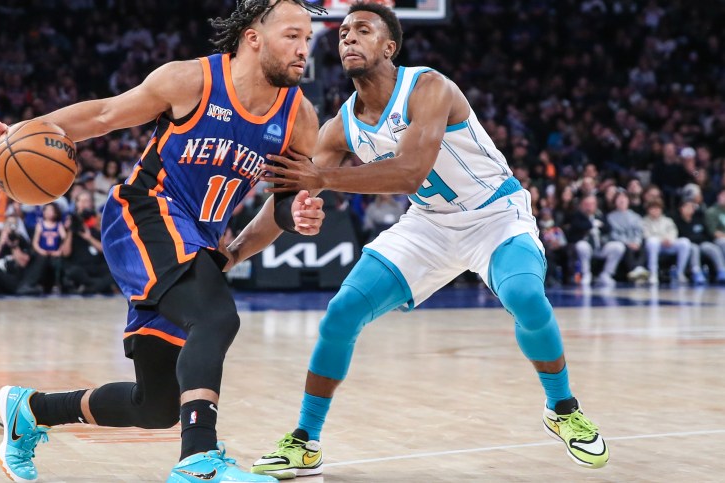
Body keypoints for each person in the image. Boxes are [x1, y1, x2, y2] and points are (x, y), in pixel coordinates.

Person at [247, 4, 608, 479]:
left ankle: (562, 409)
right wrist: (237, 248)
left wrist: (324, 178)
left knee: (524, 295)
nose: (349, 38)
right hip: (430, 224)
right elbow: (291, 191)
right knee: (340, 314)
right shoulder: (341, 127)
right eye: (344, 33)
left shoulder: (429, 86)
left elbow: (409, 171)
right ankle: (305, 440)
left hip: (495, 214)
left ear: (389, 47)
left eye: (363, 30)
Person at [0, 1, 326, 481]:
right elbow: (103, 115)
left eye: (307, 39)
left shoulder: (300, 117)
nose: (303, 50)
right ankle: (199, 461)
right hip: (144, 213)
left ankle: (32, 411)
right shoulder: (191, 81)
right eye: (293, 36)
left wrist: (294, 217)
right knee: (217, 316)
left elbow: (284, 203)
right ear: (253, 37)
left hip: (196, 243)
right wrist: (21, 135)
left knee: (157, 404)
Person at [568, 194, 625, 287]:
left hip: (601, 246)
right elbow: (576, 227)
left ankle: (606, 274)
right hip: (587, 247)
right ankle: (586, 274)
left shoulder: (600, 215)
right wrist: (591, 224)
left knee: (619, 247)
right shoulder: (577, 216)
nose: (589, 206)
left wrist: (600, 227)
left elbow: (608, 228)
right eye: (587, 204)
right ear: (582, 205)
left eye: (592, 204)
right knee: (581, 246)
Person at [642, 200, 692, 285]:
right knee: (652, 242)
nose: (655, 211)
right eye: (653, 208)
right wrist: (661, 240)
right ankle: (653, 274)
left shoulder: (667, 220)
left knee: (685, 242)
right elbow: (646, 235)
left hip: (669, 244)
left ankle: (680, 273)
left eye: (657, 208)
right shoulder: (644, 221)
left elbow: (673, 231)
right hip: (655, 246)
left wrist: (670, 239)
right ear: (648, 210)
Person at [675, 200, 725, 284]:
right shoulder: (678, 221)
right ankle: (696, 272)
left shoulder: (698, 219)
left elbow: (706, 233)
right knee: (694, 249)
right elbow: (681, 237)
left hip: (702, 243)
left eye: (691, 207)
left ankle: (721, 270)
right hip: (690, 244)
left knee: (712, 248)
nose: (690, 209)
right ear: (681, 209)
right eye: (687, 207)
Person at [606, 190, 649, 284]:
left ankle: (639, 268)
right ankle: (635, 269)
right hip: (622, 242)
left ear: (628, 200)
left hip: (635, 241)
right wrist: (627, 242)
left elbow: (639, 231)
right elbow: (613, 234)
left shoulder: (635, 216)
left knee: (645, 242)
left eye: (624, 198)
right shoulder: (610, 217)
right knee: (625, 247)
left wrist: (637, 242)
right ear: (615, 201)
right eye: (619, 198)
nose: (622, 200)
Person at [31, 202, 67, 293]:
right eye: (47, 210)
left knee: (58, 265)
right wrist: (40, 251)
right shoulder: (40, 224)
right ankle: (40, 284)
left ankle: (57, 284)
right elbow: (35, 242)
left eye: (51, 210)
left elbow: (64, 239)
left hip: (55, 253)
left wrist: (59, 251)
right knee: (40, 265)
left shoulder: (58, 225)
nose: (49, 212)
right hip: (43, 253)